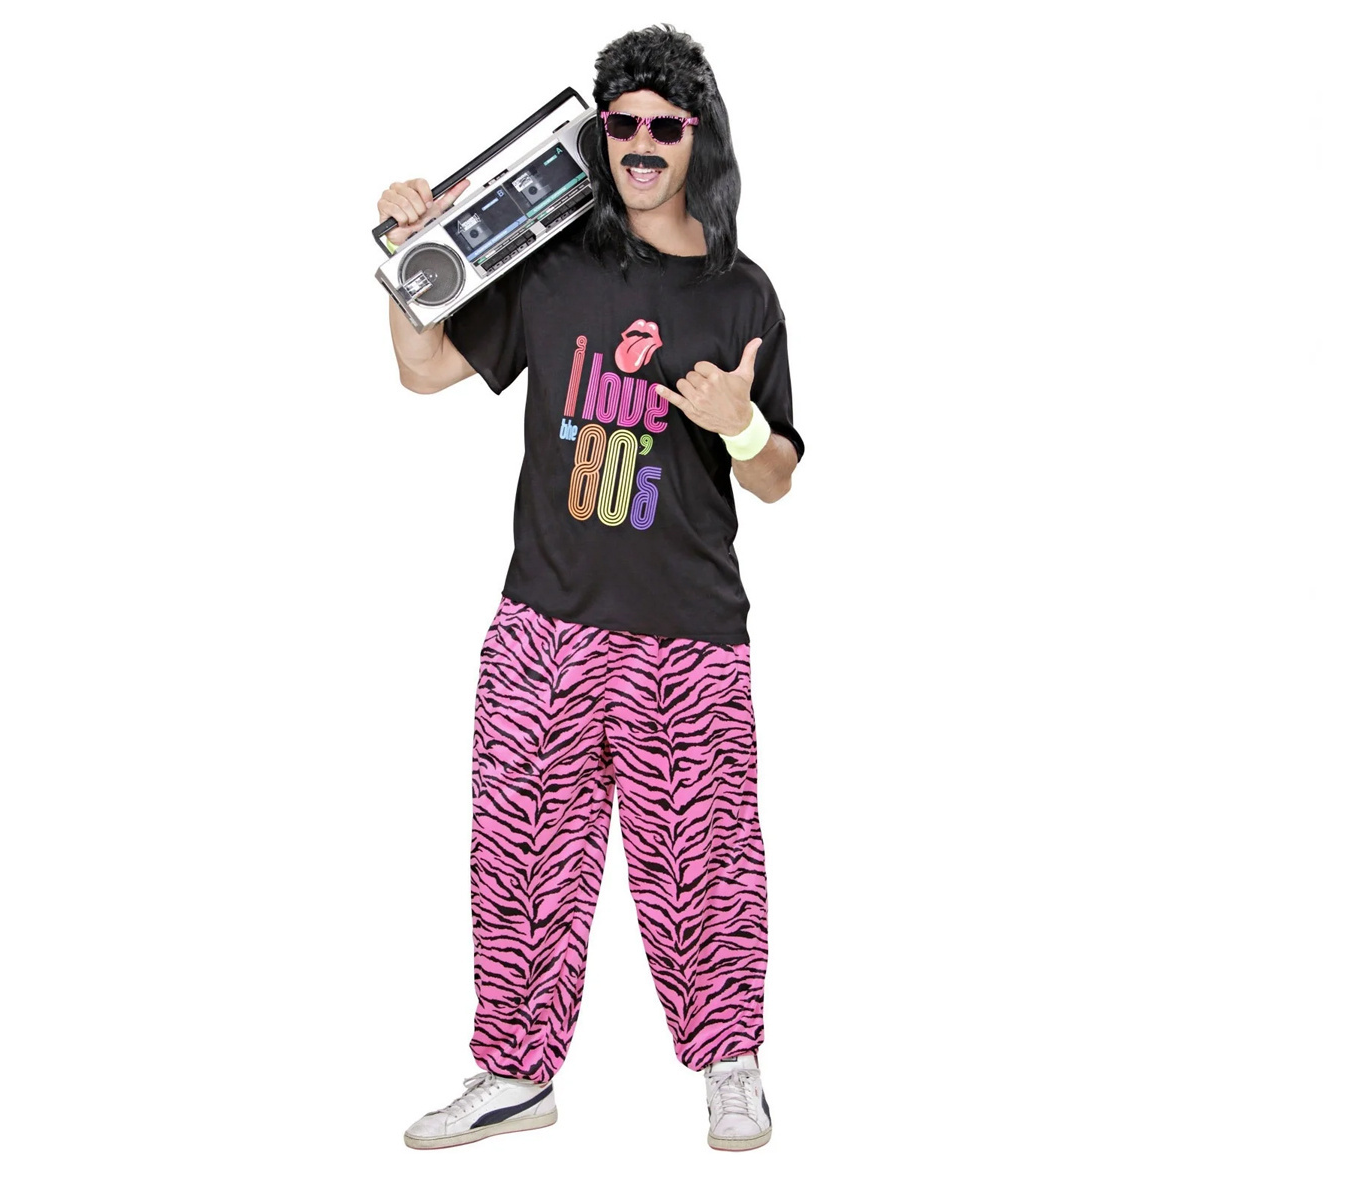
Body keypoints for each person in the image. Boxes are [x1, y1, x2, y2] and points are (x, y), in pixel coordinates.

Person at [380, 24, 803, 1152]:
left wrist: (739, 423)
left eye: (664, 124)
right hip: (544, 629)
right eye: (622, 124)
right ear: (600, 136)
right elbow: (420, 369)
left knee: (705, 864)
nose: (641, 143)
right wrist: (410, 261)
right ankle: (515, 1076)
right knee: (521, 857)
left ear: (698, 137)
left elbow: (777, 477)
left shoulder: (741, 295)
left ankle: (731, 1066)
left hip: (686, 638)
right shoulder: (554, 267)